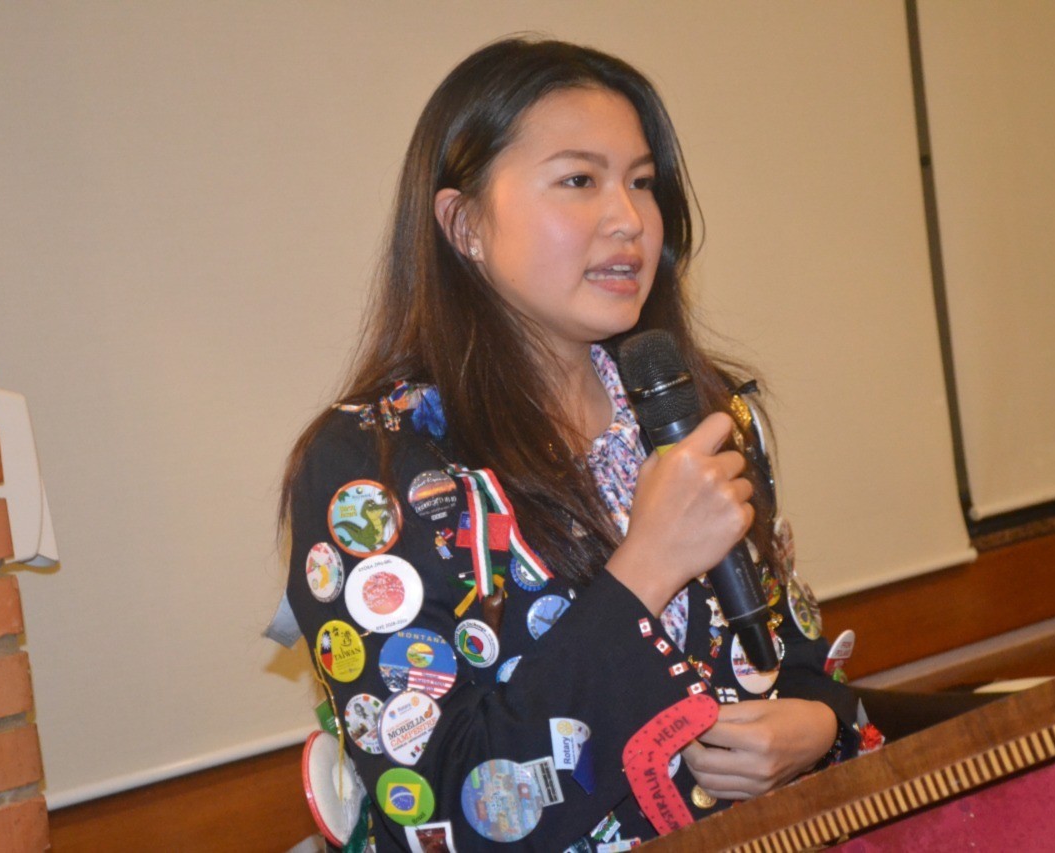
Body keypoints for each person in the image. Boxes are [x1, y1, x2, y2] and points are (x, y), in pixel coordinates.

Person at [280, 36, 874, 851]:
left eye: (641, 182)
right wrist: (647, 565)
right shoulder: (373, 468)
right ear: (464, 224)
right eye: (579, 181)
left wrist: (815, 724)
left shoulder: (701, 410)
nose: (629, 220)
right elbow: (444, 812)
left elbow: (794, 656)